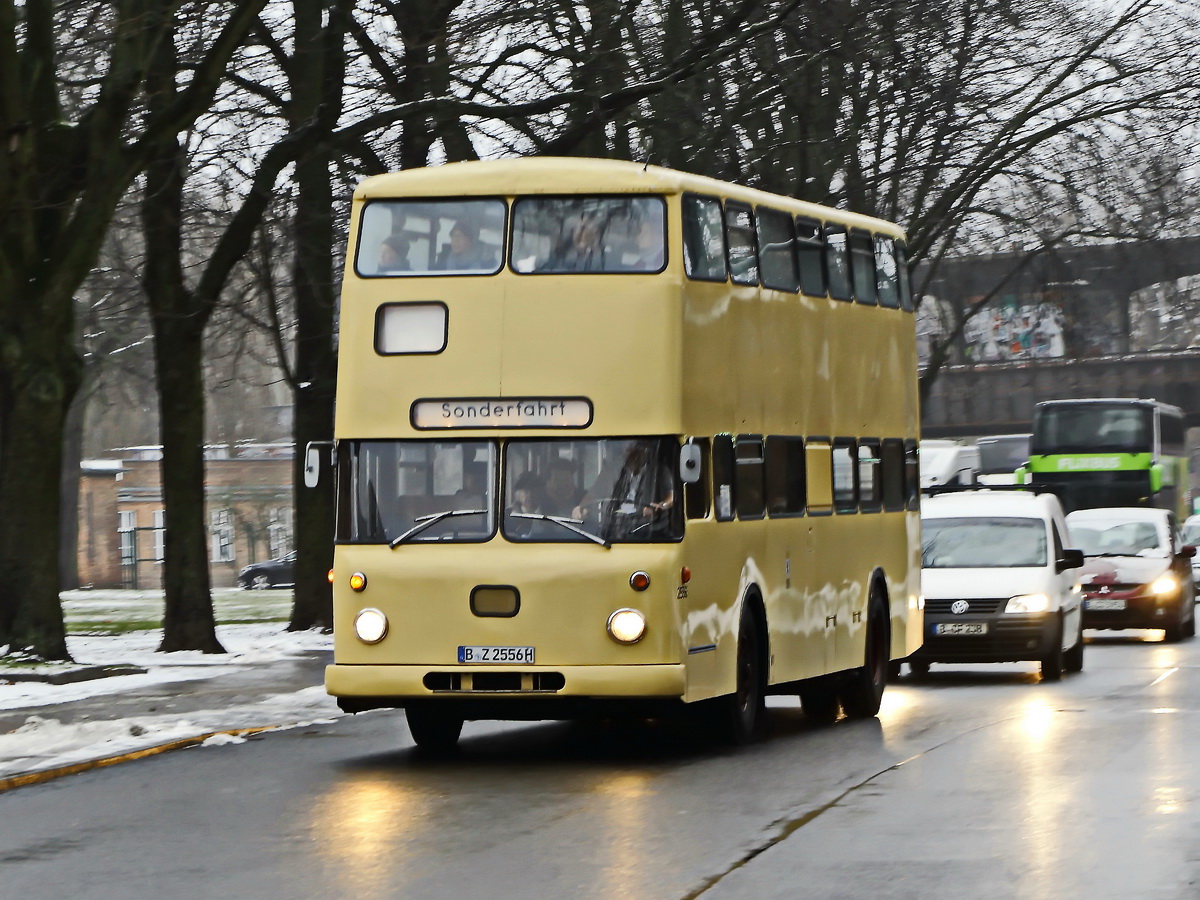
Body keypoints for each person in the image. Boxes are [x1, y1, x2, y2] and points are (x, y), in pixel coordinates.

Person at [573, 442, 674, 522]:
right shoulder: (611, 470)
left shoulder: (660, 471)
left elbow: (671, 496)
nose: (631, 453)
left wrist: (661, 506)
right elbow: (593, 494)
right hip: (613, 525)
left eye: (637, 449)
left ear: (646, 450)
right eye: (628, 449)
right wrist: (580, 508)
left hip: (647, 527)